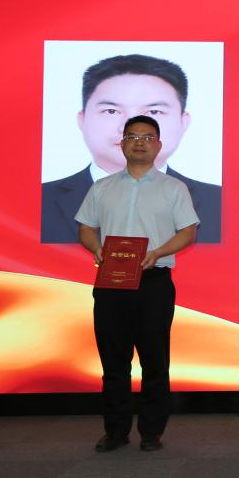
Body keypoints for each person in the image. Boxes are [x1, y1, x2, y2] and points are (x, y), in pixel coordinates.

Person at [76, 115, 198, 453]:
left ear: (158, 145)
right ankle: (115, 430)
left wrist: (158, 252)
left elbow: (188, 231)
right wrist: (96, 247)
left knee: (155, 361)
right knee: (113, 362)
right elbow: (85, 227)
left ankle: (151, 431)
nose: (139, 142)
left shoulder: (174, 188)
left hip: (153, 282)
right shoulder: (102, 187)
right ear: (123, 143)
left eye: (147, 137)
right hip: (111, 283)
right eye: (132, 136)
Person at [42, 53, 221, 244]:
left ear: (183, 122)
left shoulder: (216, 200)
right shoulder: (43, 197)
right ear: (82, 119)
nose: (129, 128)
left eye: (154, 111)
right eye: (111, 111)